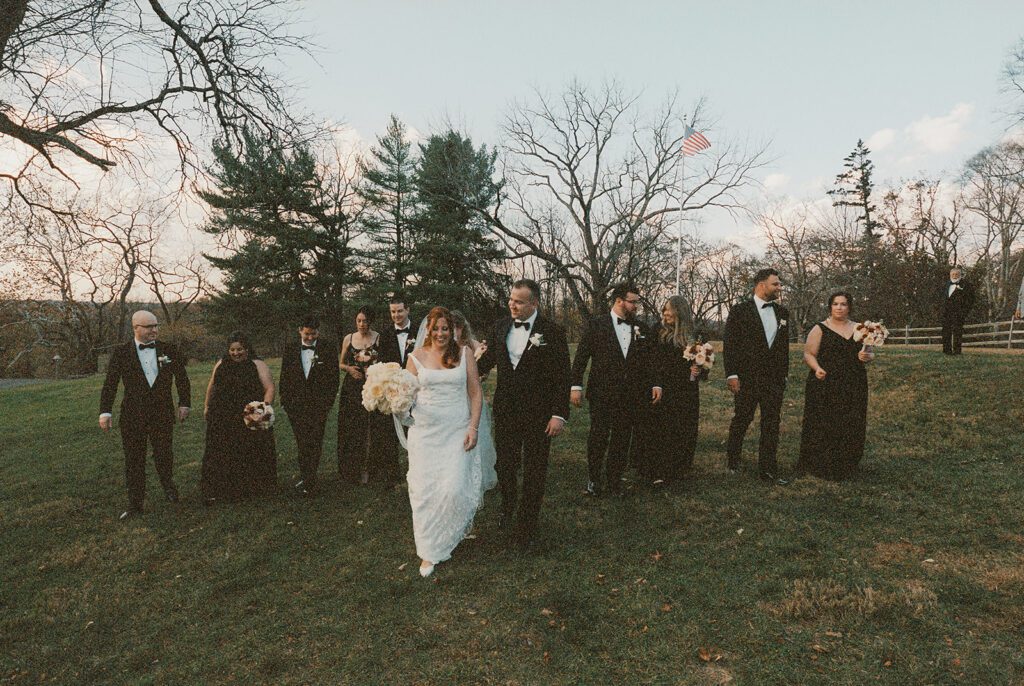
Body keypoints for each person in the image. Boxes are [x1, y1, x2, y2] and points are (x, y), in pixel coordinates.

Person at [478, 279, 571, 549]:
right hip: (506, 411)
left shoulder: (552, 332)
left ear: (534, 303)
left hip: (539, 415)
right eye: (511, 299)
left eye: (519, 301)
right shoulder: (500, 327)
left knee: (534, 470)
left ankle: (527, 525)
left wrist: (558, 414)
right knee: (505, 465)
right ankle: (508, 508)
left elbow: (562, 376)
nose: (512, 305)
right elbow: (485, 363)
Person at [405, 307, 488, 577]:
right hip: (425, 434)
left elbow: (475, 393)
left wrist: (473, 427)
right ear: (428, 330)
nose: (440, 333)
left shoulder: (464, 354)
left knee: (453, 488)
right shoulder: (415, 358)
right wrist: (395, 402)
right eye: (436, 328)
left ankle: (449, 532)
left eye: (445, 328)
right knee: (424, 492)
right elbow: (406, 396)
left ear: (453, 330)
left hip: (457, 431)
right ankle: (428, 550)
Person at [570, 282, 662, 497]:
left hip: (631, 395)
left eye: (637, 302)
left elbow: (652, 361)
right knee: (598, 436)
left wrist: (656, 383)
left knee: (622, 438)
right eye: (633, 302)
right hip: (602, 393)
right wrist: (575, 386)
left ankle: (614, 482)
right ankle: (594, 480)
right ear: (619, 301)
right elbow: (581, 358)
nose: (636, 306)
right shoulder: (596, 325)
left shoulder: (642, 328)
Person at [99, 310, 191, 520]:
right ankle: (135, 503)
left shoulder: (169, 349)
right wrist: (105, 412)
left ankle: (168, 485)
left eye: (156, 325)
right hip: (133, 416)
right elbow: (110, 384)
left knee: (164, 454)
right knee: (134, 460)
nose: (154, 330)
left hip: (162, 413)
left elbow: (182, 378)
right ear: (136, 328)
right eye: (149, 326)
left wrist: (185, 403)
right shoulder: (122, 353)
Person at [796, 292, 873, 480]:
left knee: (850, 421)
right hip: (825, 382)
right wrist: (816, 368)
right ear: (830, 307)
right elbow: (808, 354)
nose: (839, 307)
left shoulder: (860, 329)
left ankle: (846, 464)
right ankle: (819, 464)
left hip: (853, 383)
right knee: (824, 422)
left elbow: (869, 352)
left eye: (843, 304)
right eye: (835, 304)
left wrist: (867, 356)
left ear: (849, 307)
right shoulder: (820, 328)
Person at [723, 268, 790, 482]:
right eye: (775, 284)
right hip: (747, 378)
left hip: (774, 380)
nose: (779, 288)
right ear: (761, 285)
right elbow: (730, 345)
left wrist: (783, 374)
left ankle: (768, 468)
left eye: (779, 284)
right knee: (742, 418)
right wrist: (732, 374)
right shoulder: (739, 311)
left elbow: (783, 348)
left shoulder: (783, 313)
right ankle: (733, 460)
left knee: (771, 423)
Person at [201, 331, 277, 503]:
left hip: (248, 415)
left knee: (249, 450)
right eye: (232, 350)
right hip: (221, 415)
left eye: (240, 349)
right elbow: (212, 386)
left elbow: (269, 388)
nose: (236, 353)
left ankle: (251, 486)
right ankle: (219, 488)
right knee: (220, 451)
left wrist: (262, 409)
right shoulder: (221, 363)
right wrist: (206, 406)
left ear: (247, 349)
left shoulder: (258, 364)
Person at [646, 295, 706, 484]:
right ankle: (658, 470)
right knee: (663, 428)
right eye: (664, 309)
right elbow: (652, 360)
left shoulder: (694, 334)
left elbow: (704, 361)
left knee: (685, 427)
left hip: (687, 390)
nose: (665, 313)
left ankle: (680, 468)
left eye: (668, 309)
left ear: (680, 311)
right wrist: (656, 382)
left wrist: (699, 369)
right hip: (665, 387)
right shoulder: (658, 331)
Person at [278, 316, 340, 496]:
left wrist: (327, 404)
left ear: (318, 332)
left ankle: (309, 480)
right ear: (300, 330)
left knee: (315, 441)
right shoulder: (290, 349)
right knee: (302, 442)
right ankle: (308, 477)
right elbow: (285, 376)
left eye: (314, 334)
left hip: (318, 406)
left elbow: (333, 378)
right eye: (307, 334)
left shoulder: (327, 348)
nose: (310, 337)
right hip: (295, 406)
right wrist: (285, 401)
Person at [337, 306, 388, 485]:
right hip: (352, 388)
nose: (361, 324)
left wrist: (374, 371)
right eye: (358, 321)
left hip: (373, 387)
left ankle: (372, 469)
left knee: (373, 427)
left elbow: (385, 362)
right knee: (353, 427)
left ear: (370, 321)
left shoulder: (378, 338)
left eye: (365, 321)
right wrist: (349, 369)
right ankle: (353, 469)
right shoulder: (349, 339)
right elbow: (340, 363)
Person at [450, 310, 498, 494]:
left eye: (457, 327)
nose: (454, 331)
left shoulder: (472, 345)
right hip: (452, 397)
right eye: (452, 327)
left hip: (471, 398)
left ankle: (478, 475)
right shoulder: (443, 345)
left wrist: (481, 375)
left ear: (463, 328)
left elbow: (484, 369)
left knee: (476, 436)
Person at [377, 295, 420, 487]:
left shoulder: (419, 331)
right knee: (389, 433)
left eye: (400, 311)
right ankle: (391, 474)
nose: (396, 315)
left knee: (415, 430)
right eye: (393, 312)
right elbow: (382, 362)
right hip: (393, 390)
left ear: (408, 310)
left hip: (417, 388)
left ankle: (417, 471)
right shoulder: (385, 334)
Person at [941, 267, 974, 355]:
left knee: (957, 332)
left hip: (959, 313)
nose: (954, 276)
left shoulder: (966, 285)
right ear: (950, 275)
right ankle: (946, 351)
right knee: (946, 331)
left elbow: (970, 300)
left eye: (956, 274)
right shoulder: (946, 284)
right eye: (953, 274)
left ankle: (957, 351)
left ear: (960, 275)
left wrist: (964, 312)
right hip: (946, 313)